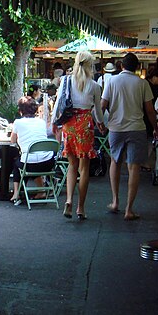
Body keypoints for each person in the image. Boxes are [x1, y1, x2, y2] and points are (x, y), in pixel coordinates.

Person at [101, 52, 158, 221]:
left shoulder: (112, 81)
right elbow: (150, 110)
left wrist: (99, 123)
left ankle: (115, 201)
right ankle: (129, 209)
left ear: (121, 66)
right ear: (137, 67)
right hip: (137, 128)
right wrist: (155, 128)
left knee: (115, 162)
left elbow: (103, 105)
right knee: (134, 167)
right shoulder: (142, 83)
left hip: (116, 128)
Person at [53, 50, 105, 221]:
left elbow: (58, 103)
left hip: (70, 124)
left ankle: (68, 200)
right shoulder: (95, 85)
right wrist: (101, 124)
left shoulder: (66, 81)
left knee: (71, 166)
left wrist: (55, 122)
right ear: (91, 66)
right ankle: (80, 207)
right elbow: (97, 111)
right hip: (85, 124)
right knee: (84, 169)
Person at [10, 96, 54, 204]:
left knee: (17, 163)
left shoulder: (18, 122)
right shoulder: (41, 122)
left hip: (30, 163)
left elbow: (12, 140)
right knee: (35, 158)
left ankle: (16, 193)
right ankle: (42, 190)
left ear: (20, 110)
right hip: (48, 162)